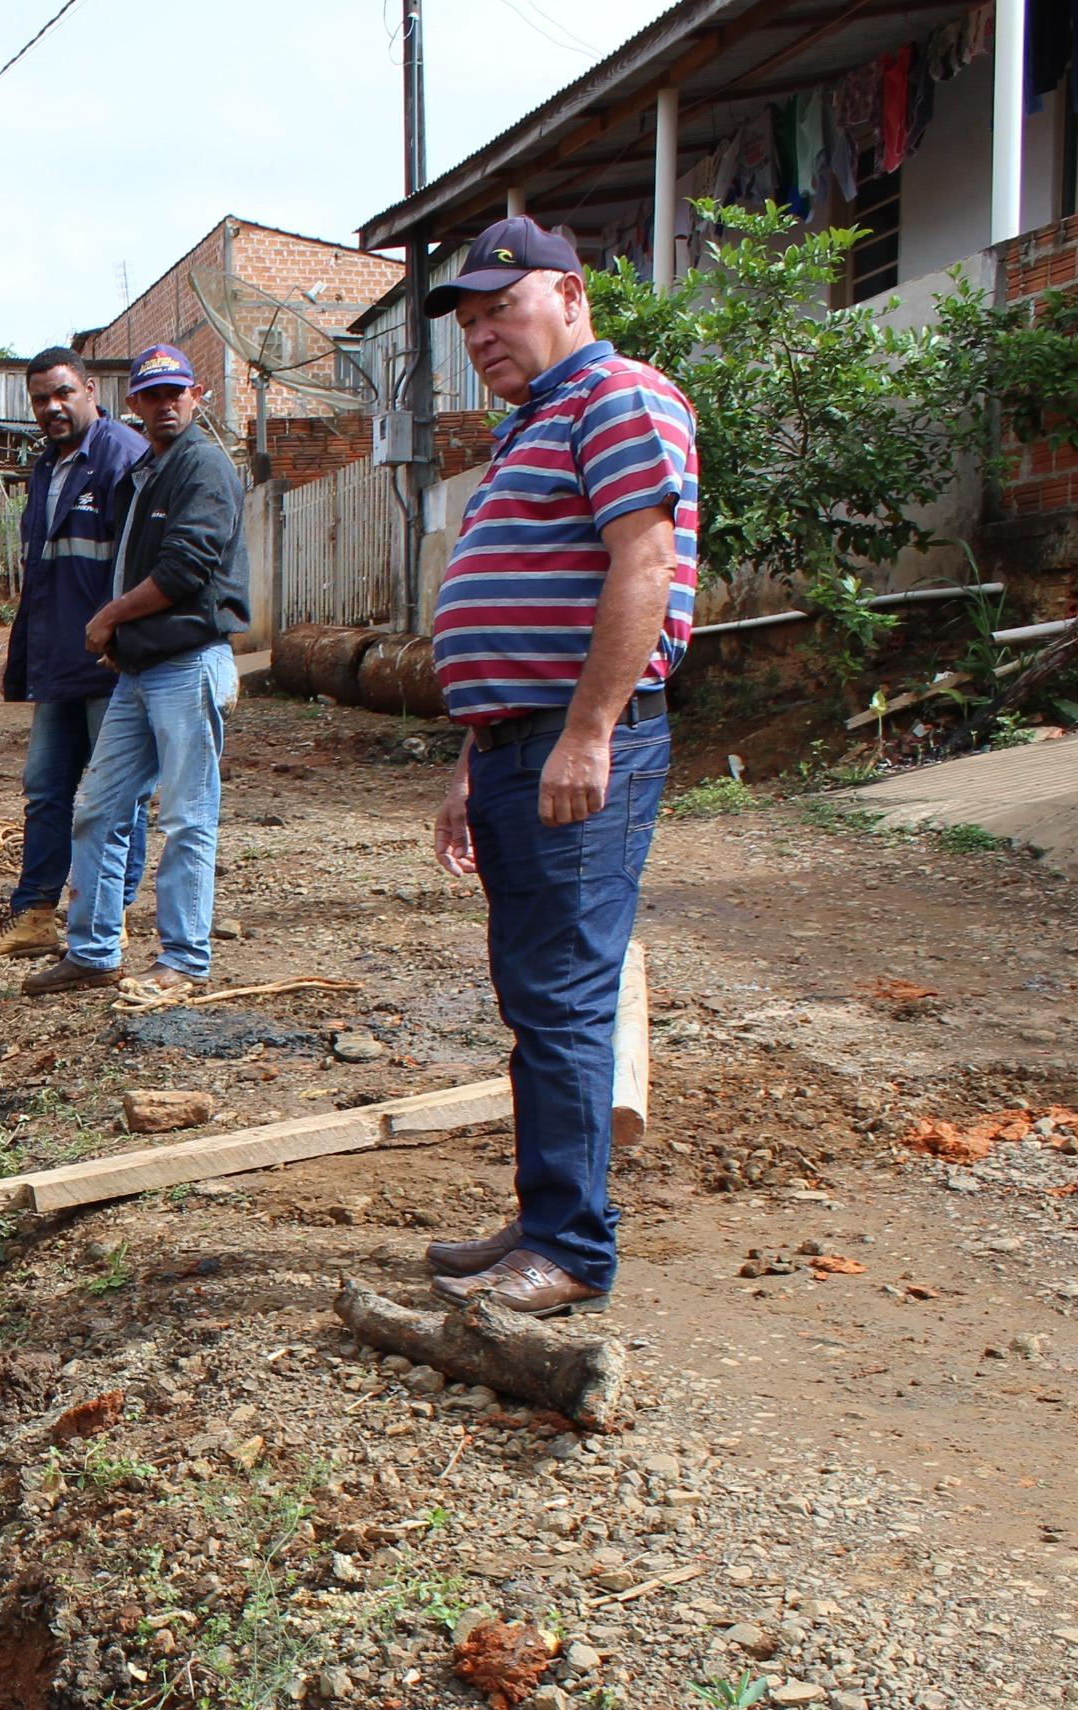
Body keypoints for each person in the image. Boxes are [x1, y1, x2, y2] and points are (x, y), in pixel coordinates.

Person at [419, 217, 698, 1316]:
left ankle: (573, 1247)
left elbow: (646, 562)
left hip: (574, 745)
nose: (482, 334)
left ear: (571, 295)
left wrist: (588, 733)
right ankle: (546, 1218)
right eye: (469, 322)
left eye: (502, 307)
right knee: (537, 997)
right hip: (515, 745)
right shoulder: (533, 423)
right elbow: (512, 613)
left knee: (567, 996)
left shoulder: (617, 397)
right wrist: (469, 762)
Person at [22, 343, 251, 1006]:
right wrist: (122, 636)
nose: (165, 404)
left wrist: (109, 618)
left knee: (187, 816)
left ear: (196, 395)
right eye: (152, 395)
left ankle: (184, 959)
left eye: (175, 392)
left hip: (189, 662)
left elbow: (185, 569)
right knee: (98, 806)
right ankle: (94, 953)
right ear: (135, 403)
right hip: (141, 668)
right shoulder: (147, 470)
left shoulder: (203, 467)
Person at [0, 349, 151, 961]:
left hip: (108, 661)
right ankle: (36, 916)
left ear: (91, 390)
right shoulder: (46, 467)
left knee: (114, 797)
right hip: (57, 661)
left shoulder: (122, 457)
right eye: (41, 398)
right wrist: (25, 653)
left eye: (63, 393)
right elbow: (42, 574)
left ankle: (110, 914)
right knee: (45, 789)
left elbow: (141, 562)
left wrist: (123, 638)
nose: (52, 407)